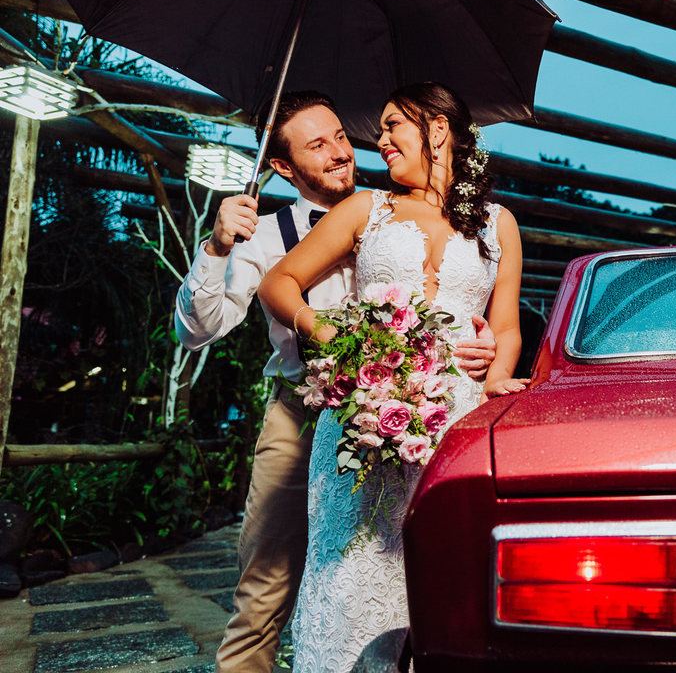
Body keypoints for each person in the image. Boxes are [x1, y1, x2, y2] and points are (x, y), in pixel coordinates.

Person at [174, 91, 497, 673]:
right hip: (304, 412)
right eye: (317, 145)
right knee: (267, 583)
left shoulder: (393, 206)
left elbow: (469, 297)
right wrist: (219, 244)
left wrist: (488, 347)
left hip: (420, 411)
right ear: (282, 166)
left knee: (404, 566)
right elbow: (200, 330)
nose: (341, 151)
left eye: (341, 136)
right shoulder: (267, 235)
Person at [259, 81, 526, 672]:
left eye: (391, 127)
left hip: (454, 422)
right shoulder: (365, 209)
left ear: (436, 130)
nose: (377, 142)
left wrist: (497, 373)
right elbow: (277, 283)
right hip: (363, 413)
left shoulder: (499, 223)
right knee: (353, 576)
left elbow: (506, 327)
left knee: (445, 575)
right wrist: (321, 328)